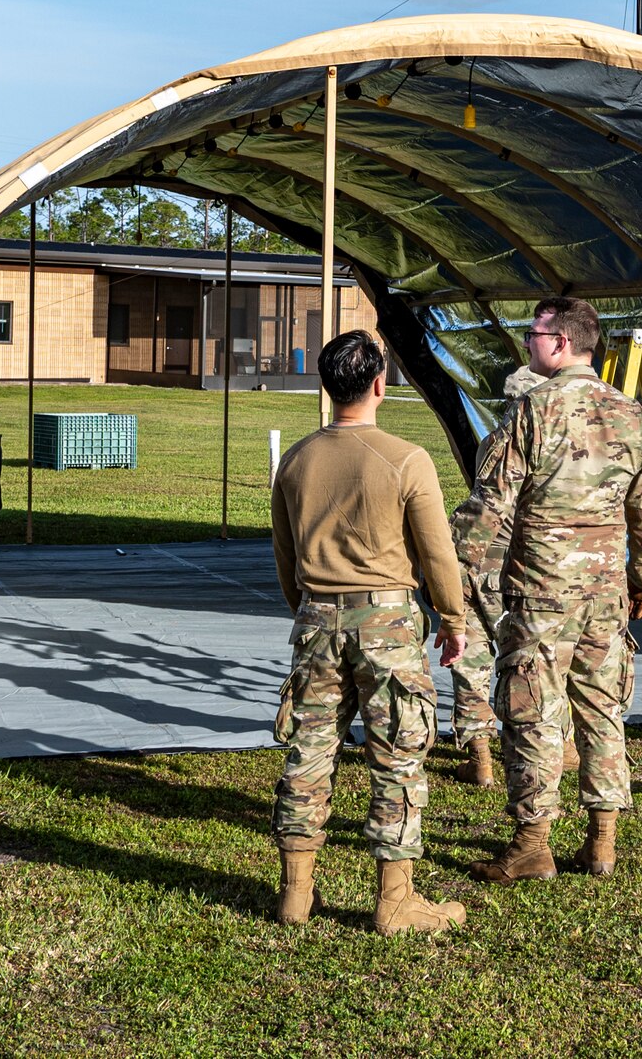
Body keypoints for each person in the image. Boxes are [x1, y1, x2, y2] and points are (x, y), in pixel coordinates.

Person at [452, 296, 642, 882]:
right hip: (605, 591)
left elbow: (492, 502)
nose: (527, 343)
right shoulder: (629, 413)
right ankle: (602, 841)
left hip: (542, 589)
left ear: (563, 341)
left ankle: (532, 842)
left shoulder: (531, 411)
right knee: (602, 708)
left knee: (533, 711)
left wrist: (456, 570)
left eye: (534, 333)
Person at [269, 329, 469, 935]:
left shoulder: (296, 459)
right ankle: (395, 900)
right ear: (381, 384)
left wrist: (306, 608)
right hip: (387, 624)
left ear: (328, 386)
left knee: (309, 752)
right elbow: (438, 555)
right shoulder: (407, 458)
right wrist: (453, 618)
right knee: (398, 755)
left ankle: (295, 895)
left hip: (315, 619)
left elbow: (283, 555)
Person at [447, 363, 546, 789]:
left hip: (486, 562)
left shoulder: (494, 445)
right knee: (538, 657)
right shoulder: (560, 445)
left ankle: (480, 754)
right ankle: (556, 745)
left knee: (471, 653)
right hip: (535, 567)